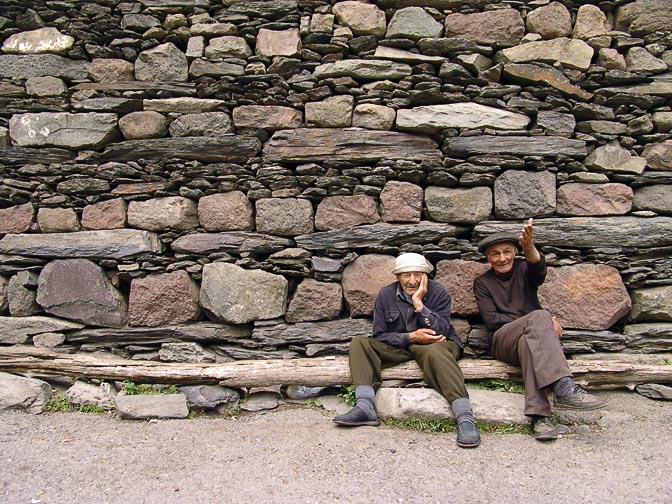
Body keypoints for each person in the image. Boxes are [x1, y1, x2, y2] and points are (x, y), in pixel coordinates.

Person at [473, 218, 607, 442]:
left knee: (530, 344)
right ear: (488, 258)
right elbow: (493, 320)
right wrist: (540, 320)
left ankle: (540, 419)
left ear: (515, 252)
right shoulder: (482, 283)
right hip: (502, 340)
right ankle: (564, 387)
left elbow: (538, 269)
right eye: (495, 254)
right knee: (539, 317)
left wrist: (530, 248)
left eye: (507, 251)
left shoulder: (524, 269)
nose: (502, 258)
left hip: (530, 339)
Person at [333, 252, 481, 449]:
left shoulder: (439, 292)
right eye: (406, 275)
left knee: (433, 351)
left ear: (426, 276)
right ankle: (365, 406)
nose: (412, 281)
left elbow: (441, 330)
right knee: (360, 343)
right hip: (402, 345)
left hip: (436, 345)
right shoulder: (385, 295)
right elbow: (379, 336)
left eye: (418, 275)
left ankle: (465, 417)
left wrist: (419, 304)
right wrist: (409, 337)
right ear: (397, 277)